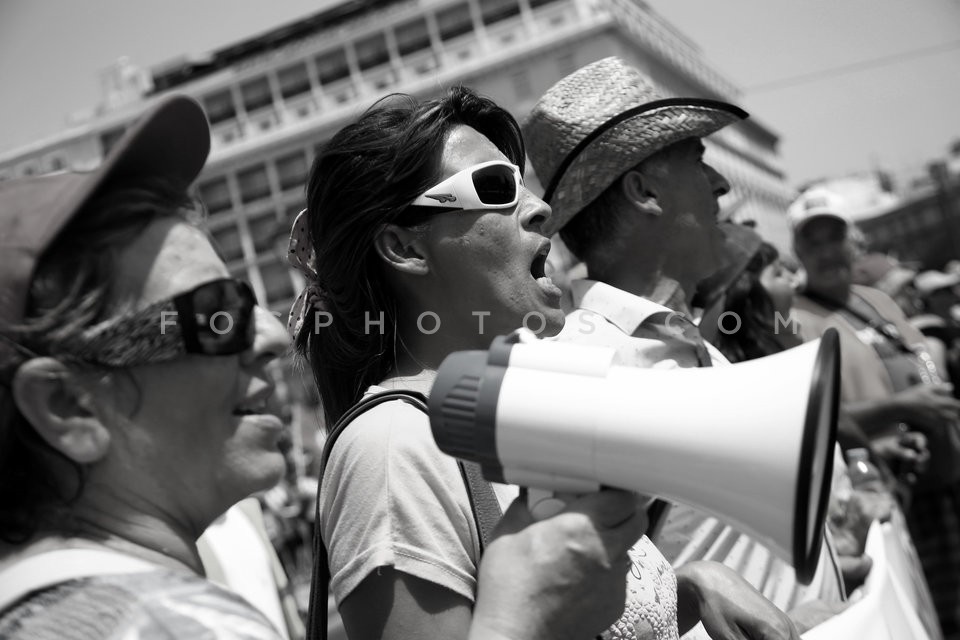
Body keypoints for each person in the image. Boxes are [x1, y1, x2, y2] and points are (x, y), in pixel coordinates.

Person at [0, 94, 661, 640]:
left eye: (247, 301)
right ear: (68, 406)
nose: (264, 333)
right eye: (212, 313)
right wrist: (522, 624)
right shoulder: (145, 627)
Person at [293, 85, 798, 640]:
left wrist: (691, 589)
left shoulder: (512, 414)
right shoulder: (390, 449)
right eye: (495, 187)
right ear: (406, 249)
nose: (538, 208)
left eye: (524, 182)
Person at [522, 56, 846, 636]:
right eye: (697, 160)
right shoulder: (583, 370)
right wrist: (696, 590)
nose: (720, 185)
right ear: (645, 191)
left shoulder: (681, 338)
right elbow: (567, 608)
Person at [788, 186, 960, 638]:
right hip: (886, 497)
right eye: (812, 242)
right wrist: (902, 409)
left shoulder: (877, 300)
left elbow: (923, 363)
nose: (826, 251)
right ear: (797, 253)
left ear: (855, 240)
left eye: (834, 237)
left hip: (939, 474)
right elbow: (811, 419)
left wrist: (927, 403)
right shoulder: (790, 319)